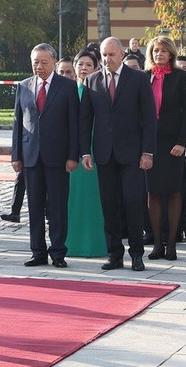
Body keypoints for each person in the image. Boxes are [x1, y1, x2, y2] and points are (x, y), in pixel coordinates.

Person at [80, 37, 157, 271]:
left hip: (132, 154)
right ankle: (114, 254)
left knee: (133, 202)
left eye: (111, 55)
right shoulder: (92, 81)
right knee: (109, 205)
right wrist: (85, 151)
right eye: (104, 55)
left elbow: (149, 117)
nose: (107, 59)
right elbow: (85, 120)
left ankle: (136, 254)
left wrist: (148, 152)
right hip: (104, 154)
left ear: (122, 55)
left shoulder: (139, 79)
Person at [12, 43, 79, 267]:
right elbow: (17, 124)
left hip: (58, 157)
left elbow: (74, 124)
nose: (38, 67)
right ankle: (37, 251)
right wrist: (16, 155)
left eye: (43, 62)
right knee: (34, 206)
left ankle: (58, 252)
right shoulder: (23, 86)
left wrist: (73, 155)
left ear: (54, 62)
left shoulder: (67, 87)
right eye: (35, 63)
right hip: (31, 156)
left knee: (58, 207)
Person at [144, 37, 186, 260]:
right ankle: (156, 244)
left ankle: (171, 244)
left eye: (164, 51)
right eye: (156, 51)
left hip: (173, 144)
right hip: (150, 144)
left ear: (171, 54)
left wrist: (182, 142)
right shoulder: (144, 77)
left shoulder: (181, 77)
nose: (159, 54)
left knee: (174, 192)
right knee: (153, 192)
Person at [65, 49, 107, 258]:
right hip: (72, 151)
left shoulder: (101, 90)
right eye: (80, 64)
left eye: (88, 65)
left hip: (94, 150)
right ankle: (70, 243)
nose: (83, 68)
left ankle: (95, 244)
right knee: (72, 198)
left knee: (94, 198)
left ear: (97, 68)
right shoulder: (68, 90)